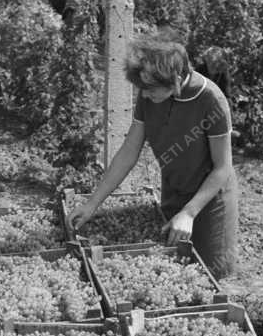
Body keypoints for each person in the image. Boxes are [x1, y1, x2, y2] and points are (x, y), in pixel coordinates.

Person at [71, 34, 239, 279]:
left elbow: (222, 168)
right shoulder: (148, 94)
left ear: (176, 81)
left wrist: (190, 212)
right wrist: (92, 203)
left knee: (206, 275)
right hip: (175, 188)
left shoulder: (212, 101)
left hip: (211, 200)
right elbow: (129, 152)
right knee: (173, 268)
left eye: (151, 91)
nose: (145, 96)